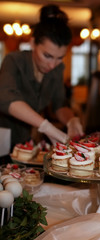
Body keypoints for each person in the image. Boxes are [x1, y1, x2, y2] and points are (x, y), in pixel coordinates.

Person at [0, 4, 84, 152]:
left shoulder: (57, 69)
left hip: (26, 141)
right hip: (3, 136)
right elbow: (6, 99)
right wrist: (45, 126)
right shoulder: (14, 60)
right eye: (47, 56)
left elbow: (60, 105)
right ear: (32, 43)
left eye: (60, 58)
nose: (52, 65)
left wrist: (71, 120)